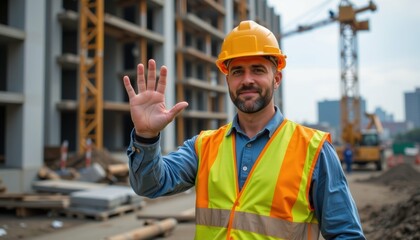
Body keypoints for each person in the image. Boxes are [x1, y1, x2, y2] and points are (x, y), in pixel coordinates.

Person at [123, 20, 365, 239]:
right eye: (237, 71)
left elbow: (346, 235)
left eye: (258, 70)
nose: (247, 79)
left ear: (277, 78)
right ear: (228, 80)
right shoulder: (203, 146)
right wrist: (146, 136)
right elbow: (149, 185)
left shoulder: (314, 150)